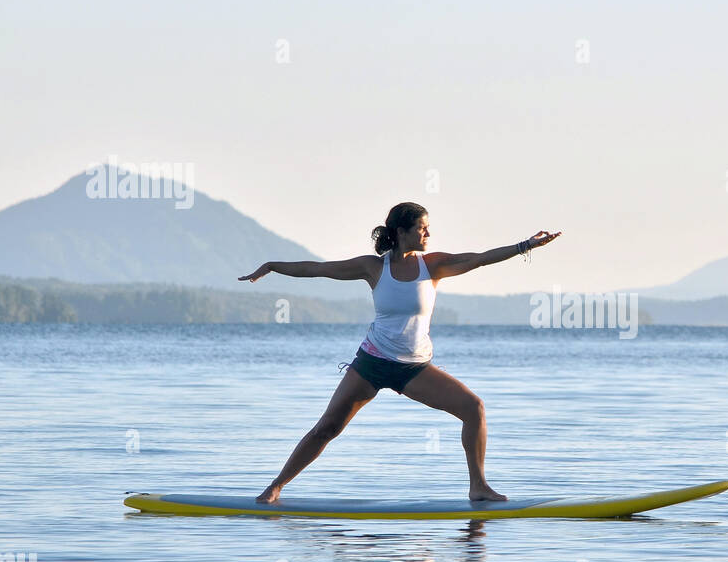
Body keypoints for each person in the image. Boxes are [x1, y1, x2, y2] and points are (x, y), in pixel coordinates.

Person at [238, 202, 560, 503]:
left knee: (474, 408)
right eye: (422, 228)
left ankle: (478, 486)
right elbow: (321, 269)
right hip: (372, 364)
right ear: (402, 232)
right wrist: (273, 266)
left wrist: (525, 246)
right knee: (328, 427)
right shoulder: (373, 268)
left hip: (414, 370)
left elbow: (479, 258)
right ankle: (275, 487)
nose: (428, 234)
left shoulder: (433, 266)